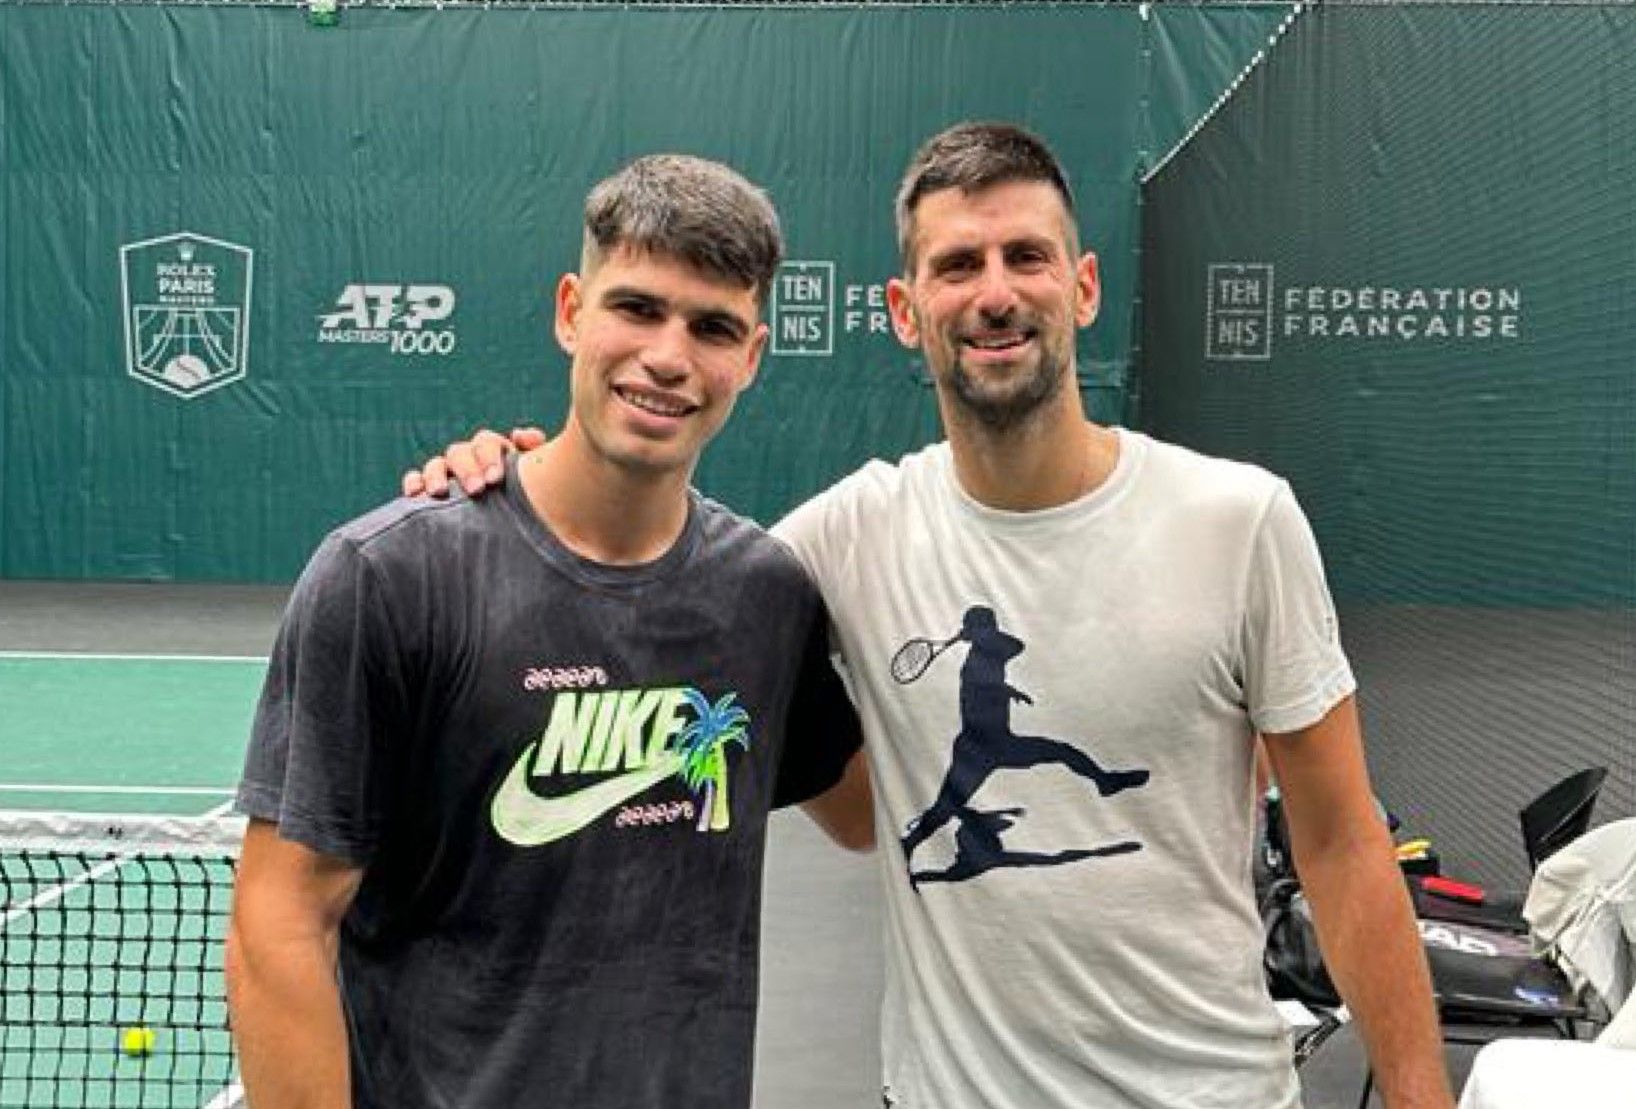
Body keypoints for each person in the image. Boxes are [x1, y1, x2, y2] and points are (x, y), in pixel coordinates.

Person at [404, 123, 1455, 1107]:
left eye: (1025, 258)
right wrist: (501, 479)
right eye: (956, 266)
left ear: (1081, 287)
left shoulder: (1239, 519)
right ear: (906, 309)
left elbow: (1340, 839)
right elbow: (665, 589)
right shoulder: (833, 545)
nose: (994, 293)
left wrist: (1418, 1097)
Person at [226, 154, 871, 1109]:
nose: (668, 356)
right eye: (638, 308)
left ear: (752, 355)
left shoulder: (766, 598)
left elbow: (870, 815)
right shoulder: (391, 576)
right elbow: (280, 918)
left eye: (713, 326)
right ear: (572, 309)